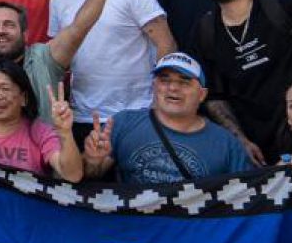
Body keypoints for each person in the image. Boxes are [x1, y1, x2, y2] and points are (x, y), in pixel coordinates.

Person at [50, 0, 174, 135]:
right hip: (83, 115)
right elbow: (59, 57)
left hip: (137, 112)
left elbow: (166, 44)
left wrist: (158, 102)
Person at [189, 0, 292, 163]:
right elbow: (214, 95)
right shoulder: (204, 30)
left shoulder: (281, 5)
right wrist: (239, 139)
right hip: (258, 152)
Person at [82, 53, 252, 186]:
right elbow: (88, 176)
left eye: (184, 82)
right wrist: (92, 160)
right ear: (154, 87)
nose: (173, 87)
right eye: (165, 80)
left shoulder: (225, 143)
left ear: (202, 94)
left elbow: (248, 198)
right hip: (135, 227)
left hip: (192, 228)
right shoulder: (122, 124)